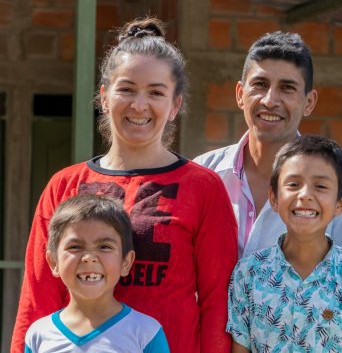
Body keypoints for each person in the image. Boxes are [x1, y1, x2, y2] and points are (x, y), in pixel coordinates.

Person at [12, 17, 237, 353]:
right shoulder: (65, 186)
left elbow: (217, 301)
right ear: (104, 97)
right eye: (127, 89)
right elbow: (38, 296)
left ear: (175, 105)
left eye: (156, 92)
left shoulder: (203, 187)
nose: (139, 105)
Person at [194, 31, 342, 258]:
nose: (270, 101)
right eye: (260, 84)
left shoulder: (337, 193)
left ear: (309, 102)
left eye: (287, 88)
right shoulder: (203, 175)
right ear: (240, 94)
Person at [227, 135, 342, 353]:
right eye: (294, 184)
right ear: (274, 198)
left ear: (341, 203)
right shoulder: (248, 274)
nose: (305, 195)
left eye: (320, 186)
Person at [24, 194, 170, 352]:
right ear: (54, 262)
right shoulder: (38, 335)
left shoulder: (146, 333)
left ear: (126, 262)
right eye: (75, 247)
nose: (89, 258)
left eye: (104, 247)